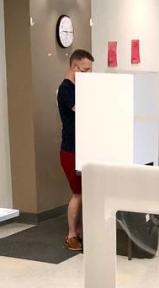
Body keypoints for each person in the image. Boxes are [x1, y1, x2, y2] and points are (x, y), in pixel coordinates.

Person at [58, 49, 94, 252]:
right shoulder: (66, 89)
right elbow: (82, 110)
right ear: (74, 67)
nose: (88, 74)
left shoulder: (80, 87)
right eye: (85, 70)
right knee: (77, 193)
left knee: (84, 192)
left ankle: (79, 231)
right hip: (70, 150)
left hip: (83, 148)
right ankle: (71, 234)